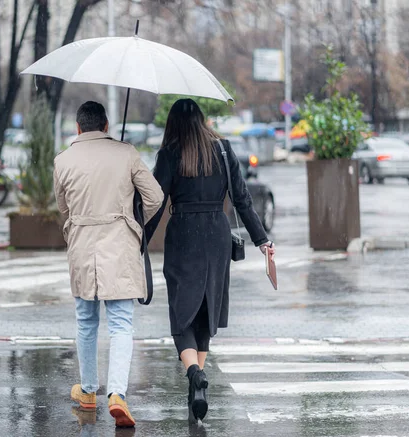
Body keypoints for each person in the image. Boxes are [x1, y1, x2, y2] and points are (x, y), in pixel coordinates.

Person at [145, 99, 276, 424]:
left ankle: (194, 372)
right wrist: (262, 240)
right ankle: (197, 386)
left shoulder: (170, 153)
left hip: (184, 234)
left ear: (173, 123)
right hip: (217, 233)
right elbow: (242, 198)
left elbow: (156, 201)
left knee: (181, 313)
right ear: (202, 120)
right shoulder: (223, 149)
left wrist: (139, 242)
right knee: (205, 309)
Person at [54, 101, 163, 428]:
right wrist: (132, 219)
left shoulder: (63, 159)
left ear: (77, 127)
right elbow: (155, 197)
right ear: (105, 126)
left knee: (86, 319)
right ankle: (117, 393)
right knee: (120, 323)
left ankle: (88, 391)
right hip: (119, 243)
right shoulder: (126, 153)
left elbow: (63, 206)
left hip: (82, 245)